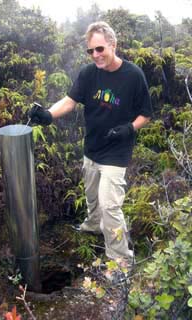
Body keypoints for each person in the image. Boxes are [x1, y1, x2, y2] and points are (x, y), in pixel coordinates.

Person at [28, 21, 152, 267]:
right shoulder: (88, 74)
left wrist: (129, 128)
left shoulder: (133, 75)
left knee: (110, 207)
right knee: (92, 198)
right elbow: (70, 101)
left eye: (100, 49)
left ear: (112, 45)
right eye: (91, 51)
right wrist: (49, 115)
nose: (95, 55)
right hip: (92, 149)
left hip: (117, 153)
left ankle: (120, 262)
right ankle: (93, 226)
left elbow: (145, 114)